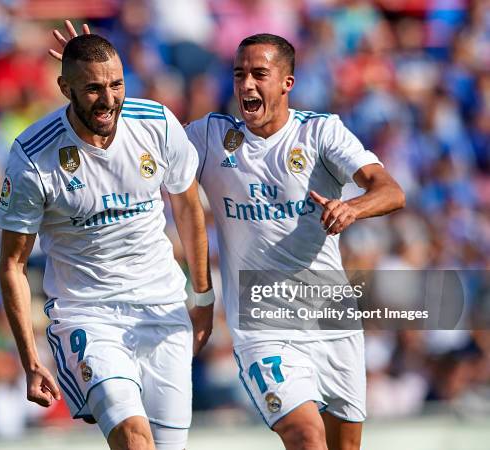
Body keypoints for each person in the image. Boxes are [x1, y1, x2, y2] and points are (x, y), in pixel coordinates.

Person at [50, 23, 405, 450]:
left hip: (330, 317)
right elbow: (139, 137)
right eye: (239, 74)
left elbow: (390, 190)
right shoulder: (211, 137)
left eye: (259, 74)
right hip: (262, 323)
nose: (246, 84)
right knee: (306, 436)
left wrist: (352, 207)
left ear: (287, 83)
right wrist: (89, 73)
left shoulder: (320, 133)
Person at [0, 32, 214, 450]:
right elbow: (13, 265)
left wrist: (203, 298)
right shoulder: (33, 157)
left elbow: (188, 210)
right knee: (135, 440)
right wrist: (30, 358)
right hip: (88, 314)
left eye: (116, 84)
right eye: (93, 87)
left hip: (162, 309)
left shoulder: (156, 123)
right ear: (65, 88)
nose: (108, 99)